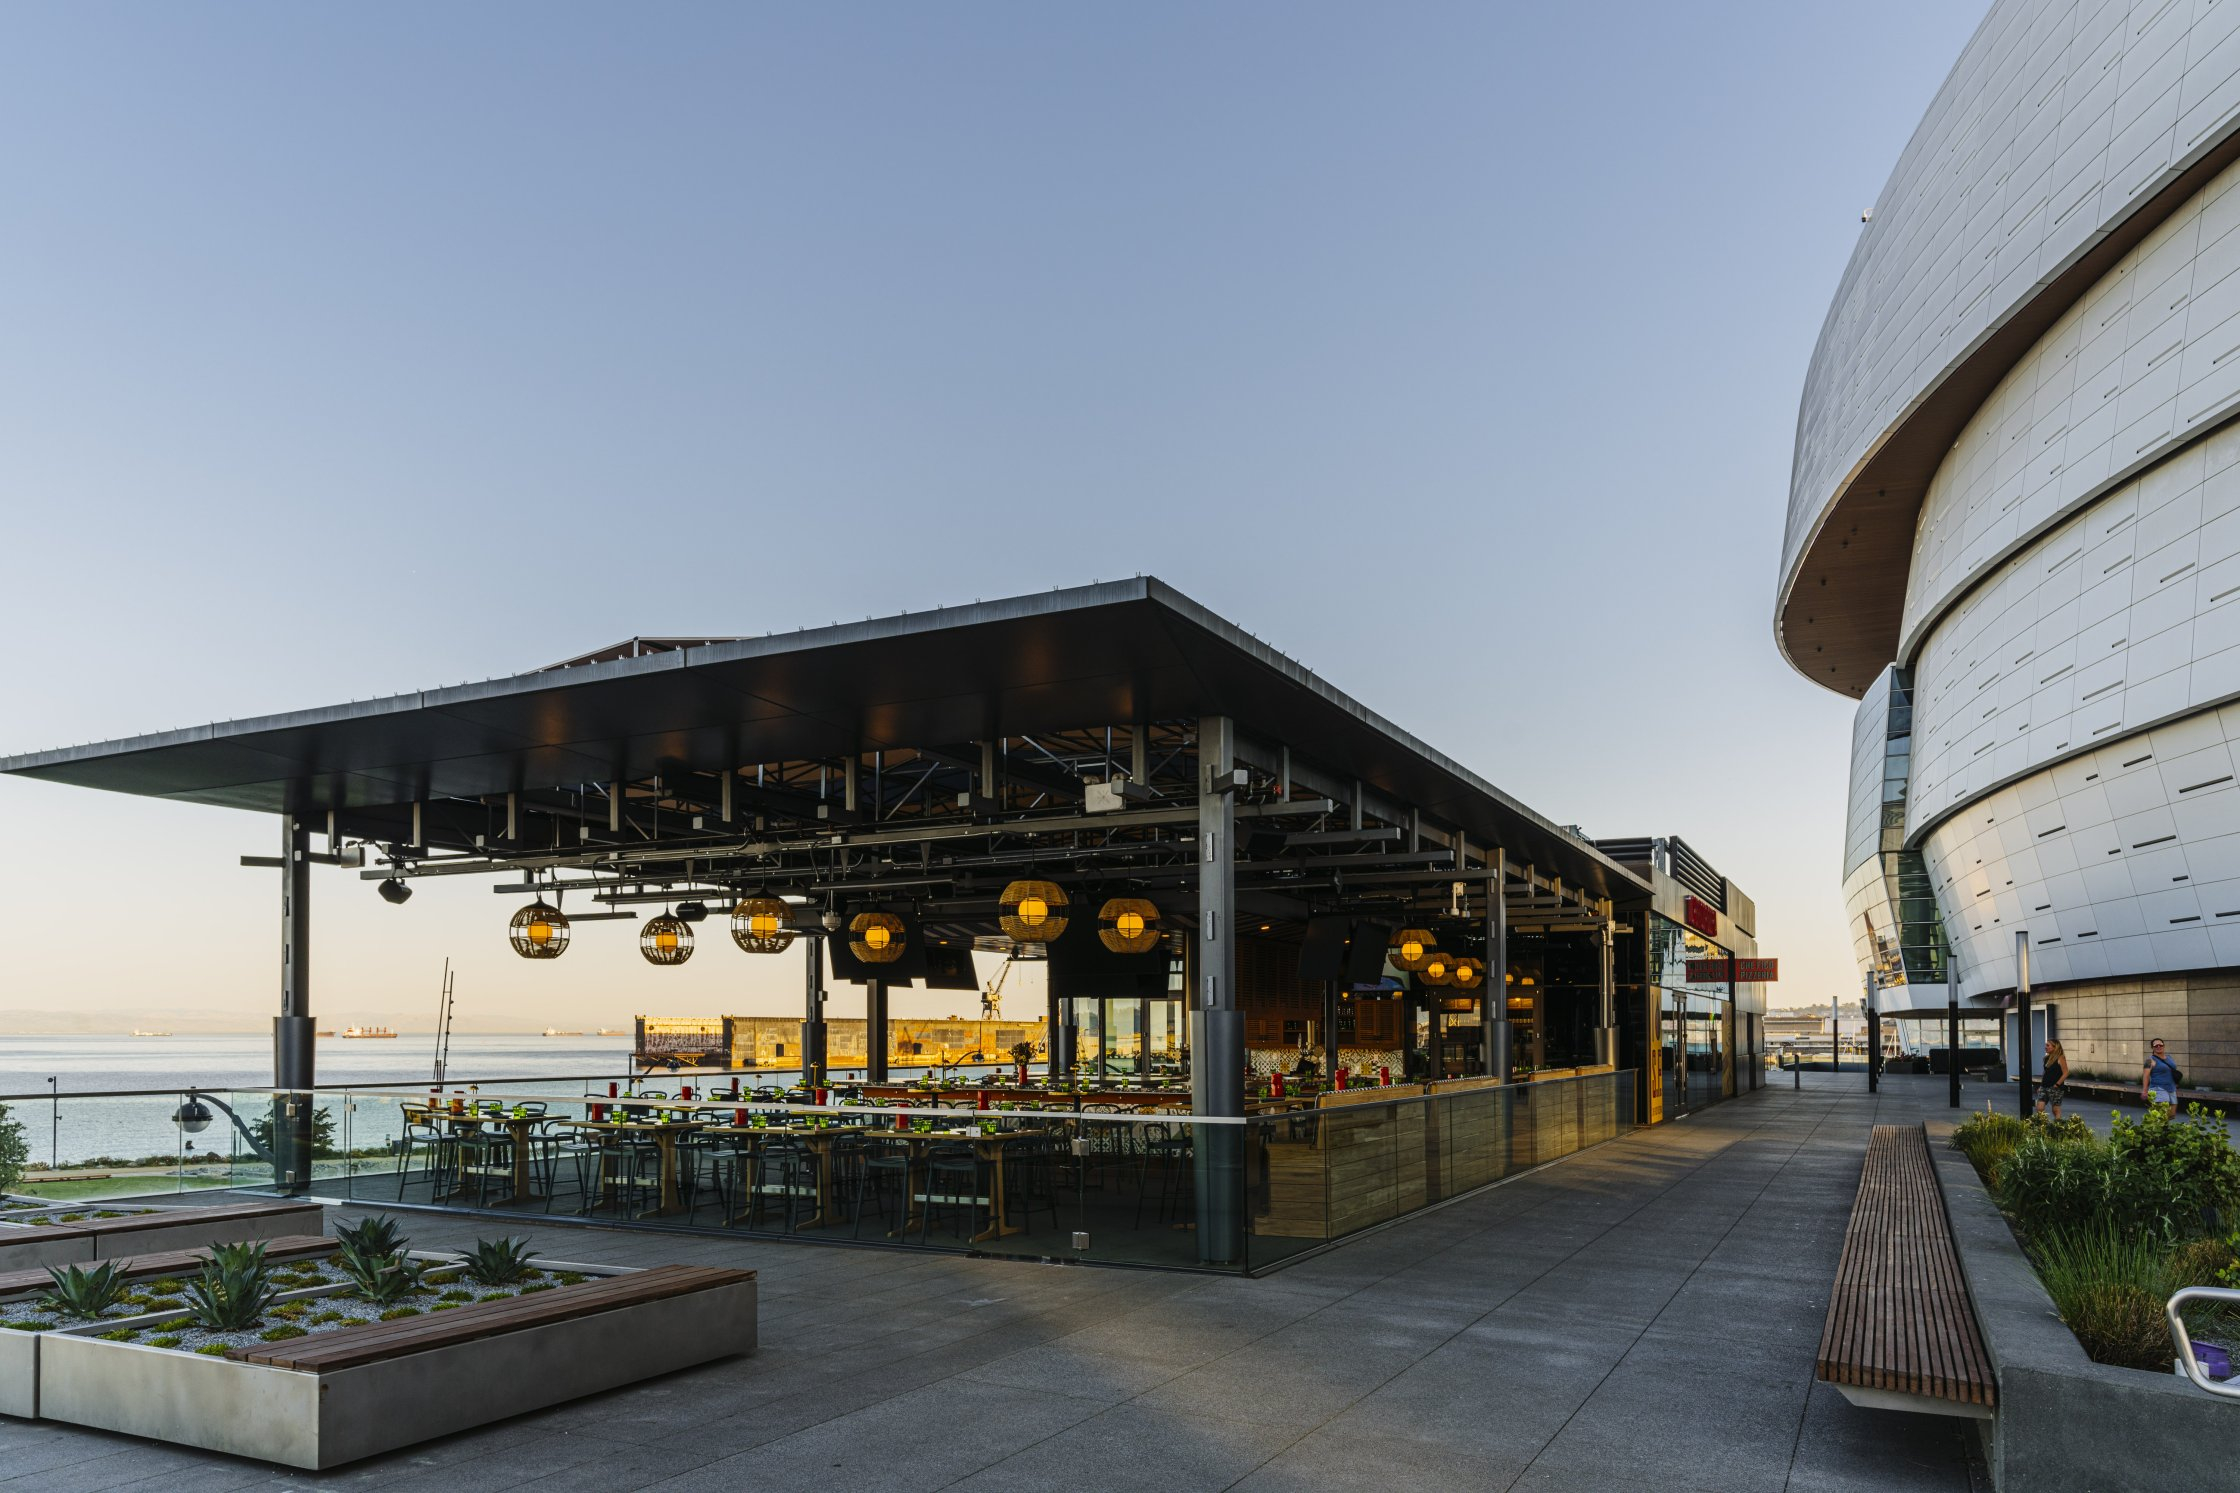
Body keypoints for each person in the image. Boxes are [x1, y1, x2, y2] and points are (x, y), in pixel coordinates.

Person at [2142, 1038, 2182, 1108]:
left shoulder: (2169, 1057)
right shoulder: (2149, 1060)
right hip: (2158, 1089)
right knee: (2162, 1112)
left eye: (2160, 1045)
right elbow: (2146, 1076)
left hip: (2172, 1089)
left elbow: (2171, 1071)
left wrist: (2175, 1083)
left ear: (2164, 1046)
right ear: (2152, 1047)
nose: (2158, 1046)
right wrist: (2145, 1091)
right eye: (2156, 1045)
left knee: (2172, 1113)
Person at [2039, 1038, 2069, 1121]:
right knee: (2040, 1108)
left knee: (2055, 1109)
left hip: (2056, 1088)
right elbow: (2045, 1073)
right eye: (2046, 1045)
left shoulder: (2060, 1058)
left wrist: (2057, 1085)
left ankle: (2058, 1125)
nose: (2045, 1047)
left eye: (2048, 1045)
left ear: (2055, 1047)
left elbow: (2066, 1073)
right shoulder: (2046, 1058)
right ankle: (2042, 1124)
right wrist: (2041, 1085)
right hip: (2044, 1086)